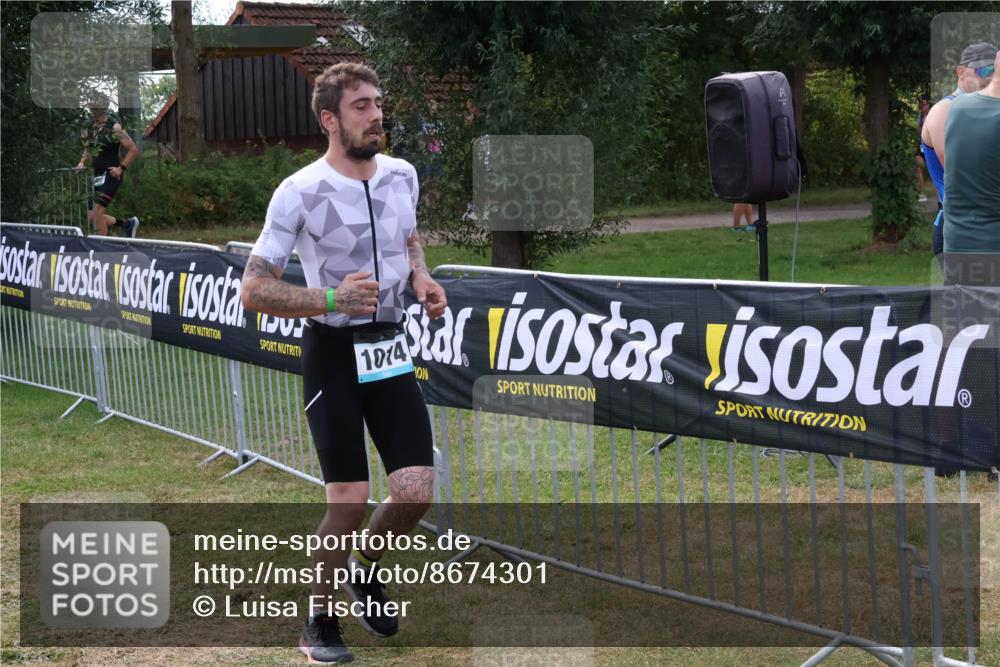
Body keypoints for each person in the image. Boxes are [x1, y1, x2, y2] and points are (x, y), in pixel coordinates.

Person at [241, 63, 447, 664]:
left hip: (389, 346)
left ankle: (365, 565)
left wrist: (421, 275)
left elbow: (409, 238)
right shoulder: (299, 190)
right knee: (350, 499)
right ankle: (318, 620)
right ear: (330, 118)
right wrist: (329, 298)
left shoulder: (403, 175)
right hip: (331, 352)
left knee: (415, 491)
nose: (377, 113)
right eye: (361, 105)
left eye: (378, 102)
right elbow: (253, 289)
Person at [920, 42, 997, 257]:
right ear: (961, 72)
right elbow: (967, 175)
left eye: (995, 71)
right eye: (984, 70)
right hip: (963, 233)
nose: (990, 77)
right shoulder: (944, 111)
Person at [75, 94, 140, 237]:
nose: (94, 110)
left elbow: (133, 149)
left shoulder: (114, 127)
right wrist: (81, 163)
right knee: (91, 216)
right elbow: (87, 150)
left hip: (111, 174)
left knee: (98, 210)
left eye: (96, 108)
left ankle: (102, 249)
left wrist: (121, 168)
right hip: (97, 174)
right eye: (92, 107)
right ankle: (127, 224)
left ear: (104, 108)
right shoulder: (89, 128)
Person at [915, 94, 931, 194]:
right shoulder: (920, 116)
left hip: (932, 145)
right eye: (921, 105)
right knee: (917, 165)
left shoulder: (934, 114)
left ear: (929, 104)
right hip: (922, 144)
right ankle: (920, 193)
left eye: (924, 104)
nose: (922, 107)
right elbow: (918, 131)